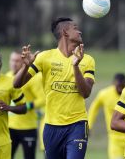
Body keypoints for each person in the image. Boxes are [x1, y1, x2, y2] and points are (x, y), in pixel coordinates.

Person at [13, 17, 95, 159]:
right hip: (52, 127)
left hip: (78, 125)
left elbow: (86, 93)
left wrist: (75, 66)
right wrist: (26, 65)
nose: (80, 31)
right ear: (65, 33)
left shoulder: (87, 60)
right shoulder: (44, 57)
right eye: (75, 28)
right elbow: (17, 84)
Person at [6, 51, 45, 159]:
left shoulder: (33, 78)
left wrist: (26, 107)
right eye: (12, 60)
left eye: (17, 61)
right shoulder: (7, 76)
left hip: (28, 128)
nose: (14, 63)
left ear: (24, 62)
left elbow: (42, 99)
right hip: (10, 127)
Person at [88, 73, 125, 159]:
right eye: (118, 85)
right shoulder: (105, 94)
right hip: (114, 138)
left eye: (122, 86)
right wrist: (89, 125)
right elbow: (94, 108)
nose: (120, 88)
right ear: (114, 83)